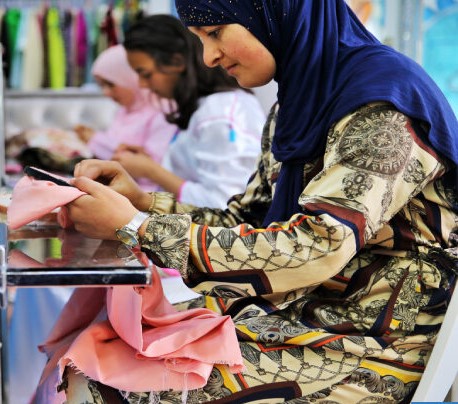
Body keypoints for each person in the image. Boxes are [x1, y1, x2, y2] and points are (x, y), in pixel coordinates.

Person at [34, 1, 458, 403]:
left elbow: (322, 244)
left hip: (378, 347)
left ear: (275, 11)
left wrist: (136, 228)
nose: (208, 57)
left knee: (117, 380)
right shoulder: (300, 102)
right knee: (101, 349)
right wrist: (142, 202)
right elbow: (249, 217)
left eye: (216, 32)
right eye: (200, 38)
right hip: (304, 318)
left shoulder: (382, 103)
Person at [111, 14, 264, 208]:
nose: (142, 84)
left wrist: (152, 171)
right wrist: (150, 164)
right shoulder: (206, 108)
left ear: (177, 62)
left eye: (146, 74)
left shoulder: (219, 115)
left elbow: (226, 204)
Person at [74, 44, 178, 191]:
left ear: (130, 77)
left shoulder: (165, 112)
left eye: (110, 85)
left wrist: (95, 139)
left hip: (147, 196)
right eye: (101, 86)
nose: (106, 93)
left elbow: (151, 167)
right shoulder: (123, 111)